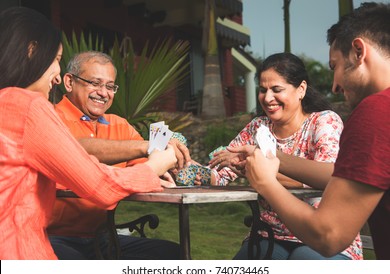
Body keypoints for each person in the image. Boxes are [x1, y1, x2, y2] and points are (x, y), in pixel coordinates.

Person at [0, 7, 176, 260]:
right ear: (32, 50)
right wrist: (152, 167)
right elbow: (99, 185)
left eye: (109, 86)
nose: (57, 76)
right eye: (56, 59)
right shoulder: (29, 106)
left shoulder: (7, 104)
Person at [231, 2, 390, 260]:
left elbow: (329, 235)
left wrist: (266, 182)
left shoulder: (376, 112)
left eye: (334, 66)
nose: (335, 85)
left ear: (359, 51)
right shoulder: (258, 127)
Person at [204, 53, 362, 259]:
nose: (268, 98)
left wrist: (260, 175)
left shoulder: (324, 122)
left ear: (301, 89)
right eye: (262, 90)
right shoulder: (257, 127)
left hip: (319, 234)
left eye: (276, 90)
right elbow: (220, 171)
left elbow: (330, 179)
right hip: (268, 235)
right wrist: (192, 172)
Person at [47, 51, 184, 259]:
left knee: (174, 255)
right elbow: (77, 148)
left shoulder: (119, 124)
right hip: (54, 236)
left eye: (110, 86)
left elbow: (149, 166)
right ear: (69, 82)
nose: (103, 93)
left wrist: (169, 160)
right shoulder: (50, 117)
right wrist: (149, 147)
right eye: (95, 83)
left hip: (103, 237)